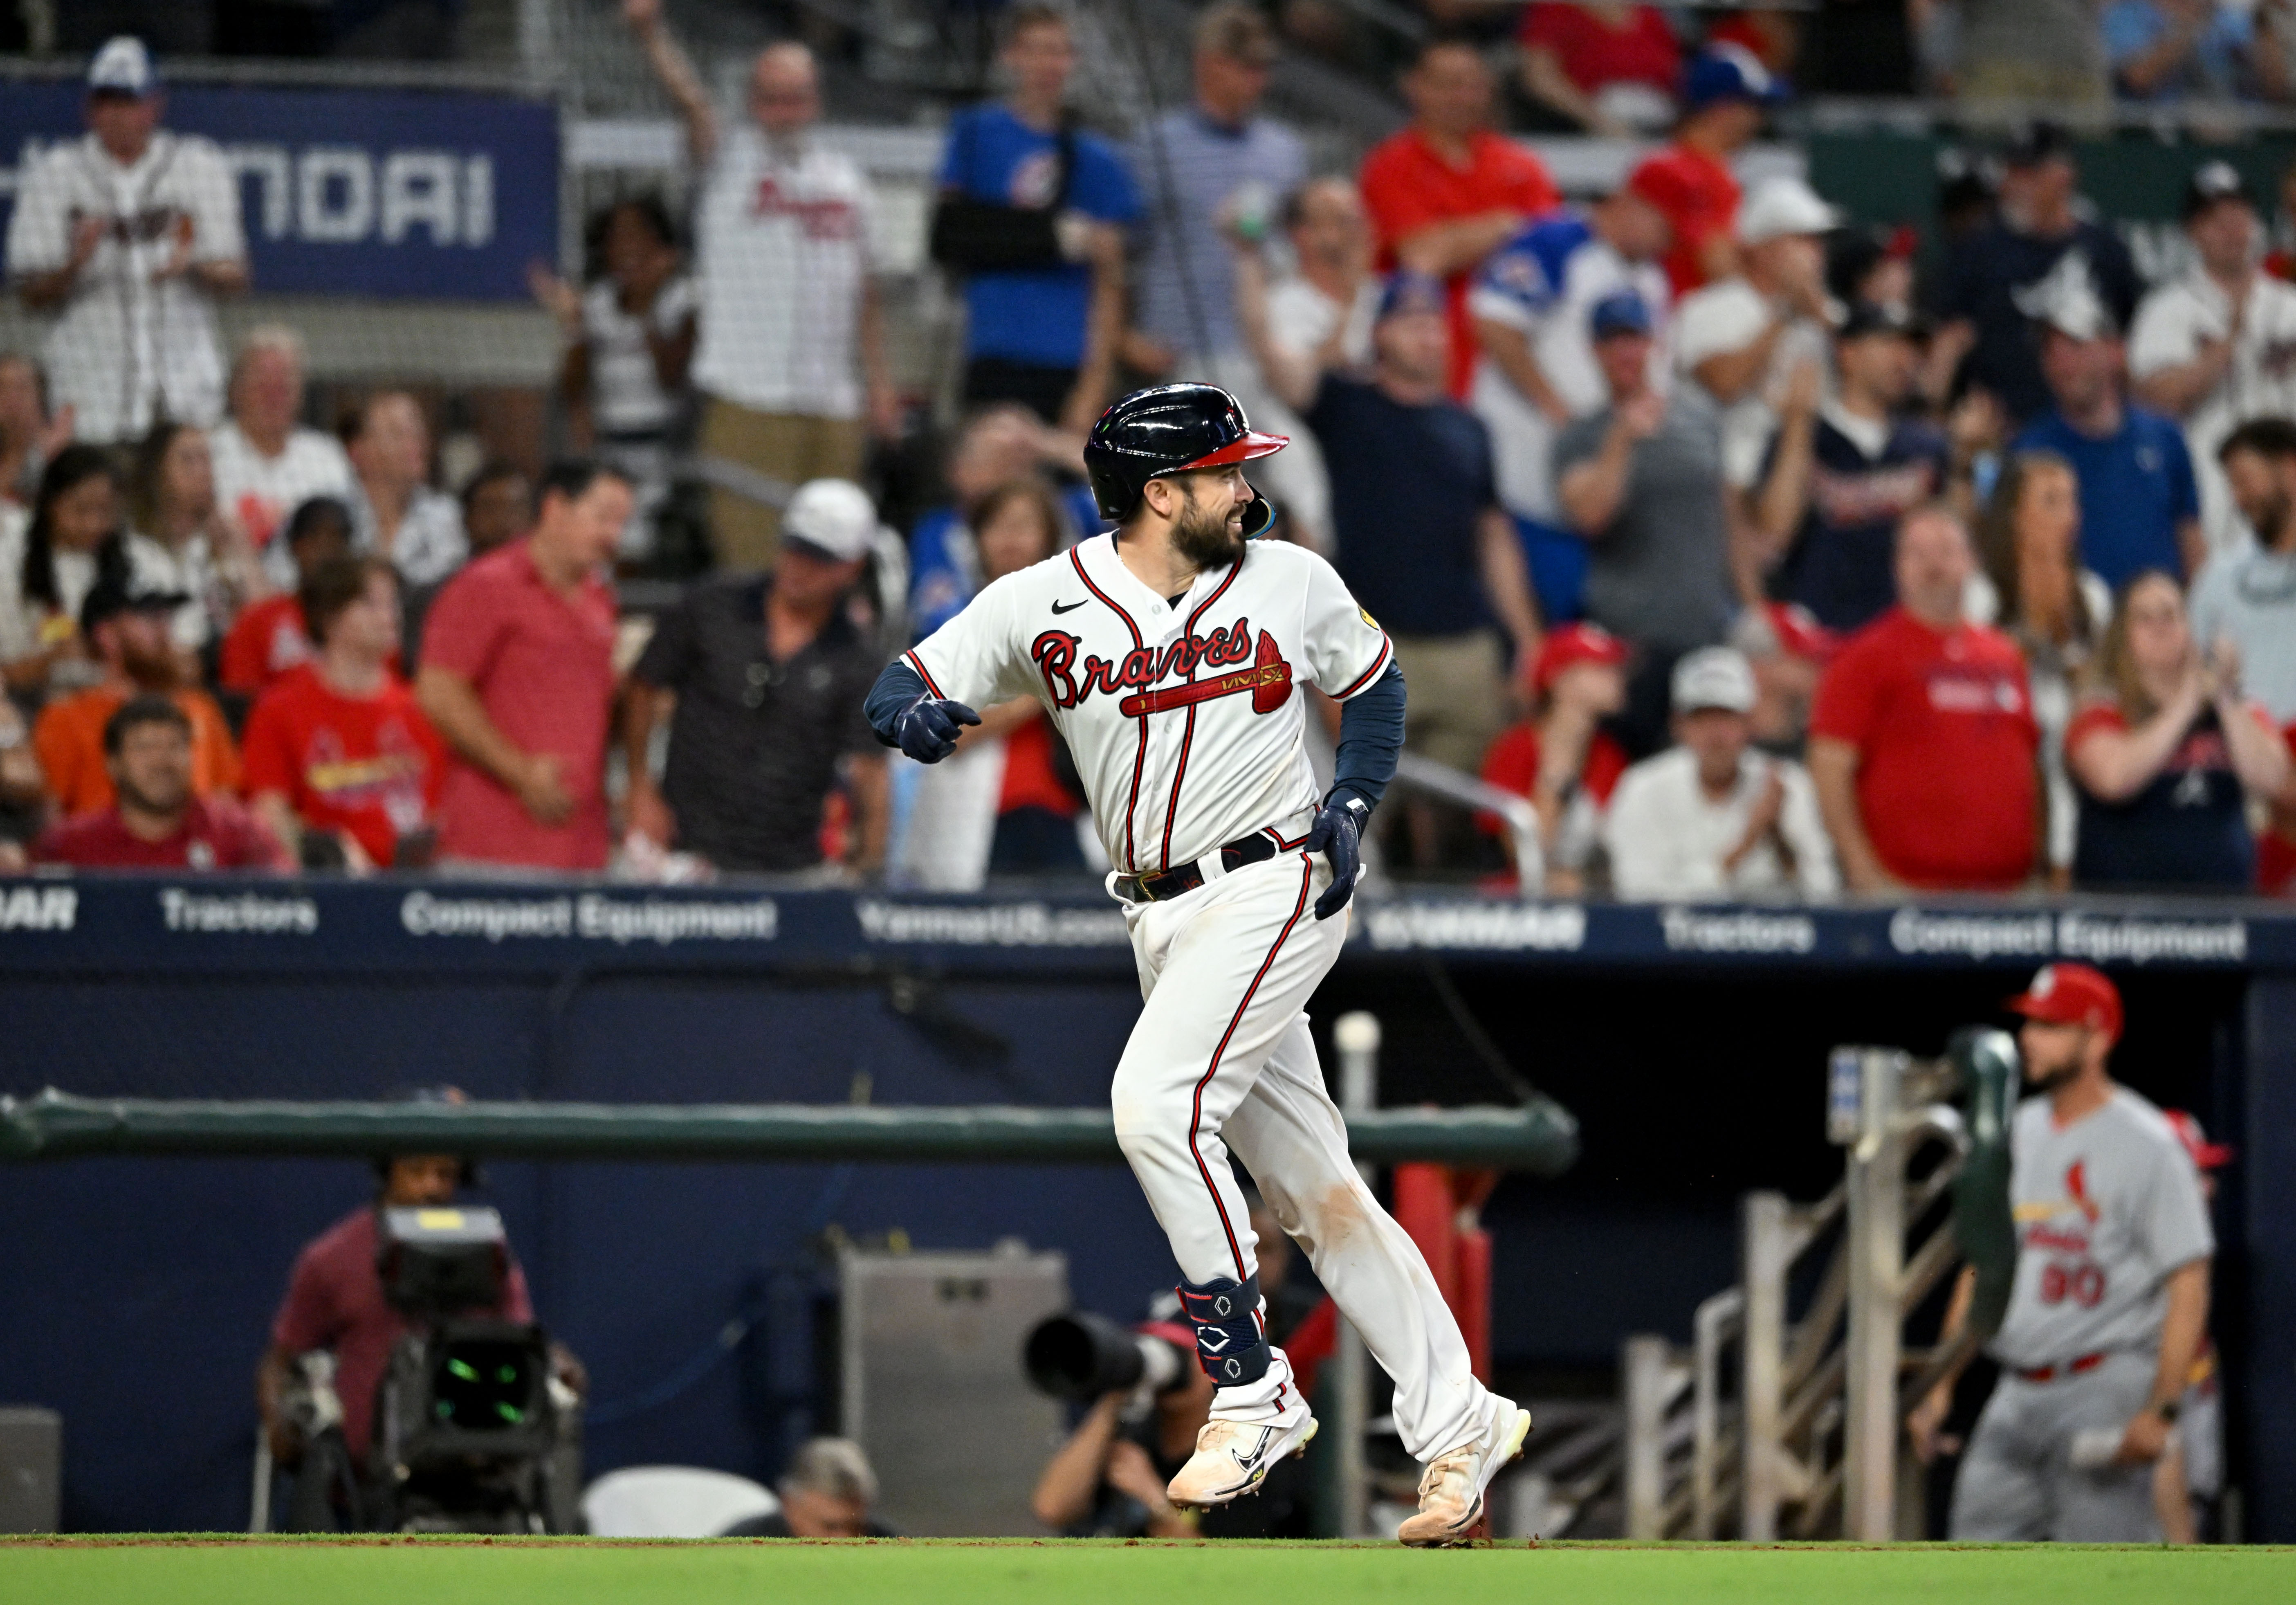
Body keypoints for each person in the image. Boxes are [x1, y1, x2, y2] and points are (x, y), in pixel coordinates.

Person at [864, 382, 1530, 1546]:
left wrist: (1354, 801)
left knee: (1154, 1103)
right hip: (1158, 916)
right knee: (1316, 1195)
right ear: (1159, 493)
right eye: (1222, 471)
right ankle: (1458, 1421)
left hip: (1277, 873)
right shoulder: (1046, 598)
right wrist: (909, 713)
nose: (1245, 486)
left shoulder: (1289, 578)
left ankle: (1248, 1384)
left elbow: (1371, 682)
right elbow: (908, 680)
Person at [1908, 964, 2214, 1544]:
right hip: (2015, 1389)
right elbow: (1983, 1261)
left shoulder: (2146, 1144)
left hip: (2101, 1386)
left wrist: (2162, 1409)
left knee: (2102, 1581)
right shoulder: (2017, 1130)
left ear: (2096, 1037)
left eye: (2050, 1025)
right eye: (2028, 1023)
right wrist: (1940, 1385)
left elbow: (2189, 1282)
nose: (2028, 1038)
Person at [1238, 269, 1540, 829]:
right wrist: (1247, 261)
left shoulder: (1468, 426)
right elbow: (1272, 359)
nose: (1428, 336)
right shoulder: (1346, 405)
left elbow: (1492, 536)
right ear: (1378, 335)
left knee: (1464, 810)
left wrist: (1525, 637)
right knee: (1370, 803)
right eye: (1411, 323)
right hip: (1375, 638)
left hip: (1463, 643)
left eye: (1435, 324)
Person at [625, 0, 897, 569]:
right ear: (753, 102)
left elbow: (864, 294)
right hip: (748, 396)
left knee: (835, 558)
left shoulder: (846, 181)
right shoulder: (728, 161)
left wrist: (879, 384)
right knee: (752, 563)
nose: (783, 110)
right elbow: (693, 105)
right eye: (771, 98)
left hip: (833, 400)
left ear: (815, 100)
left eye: (795, 96)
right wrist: (653, 35)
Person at [256, 1137, 572, 1500]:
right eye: (416, 1171)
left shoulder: (493, 1257)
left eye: (445, 1174)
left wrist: (557, 1364)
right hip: (360, 1490)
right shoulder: (331, 1258)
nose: (431, 1187)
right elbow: (279, 1361)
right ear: (388, 1171)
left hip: (475, 1477)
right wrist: (278, 1424)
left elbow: (524, 1345)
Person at [626, 479, 890, 877]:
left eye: (818, 559)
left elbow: (869, 768)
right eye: (794, 548)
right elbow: (643, 687)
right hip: (680, 846)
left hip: (788, 866)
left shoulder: (858, 658)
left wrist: (868, 862)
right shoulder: (711, 605)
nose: (799, 567)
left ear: (850, 568)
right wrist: (639, 787)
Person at [3, 37, 247, 444]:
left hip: (183, 405)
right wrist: (74, 265)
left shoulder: (199, 166)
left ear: (156, 105)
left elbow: (237, 277)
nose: (116, 115)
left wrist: (192, 265)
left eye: (128, 101)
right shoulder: (54, 174)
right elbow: (29, 295)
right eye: (106, 101)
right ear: (89, 109)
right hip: (89, 406)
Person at [1468, 172, 1673, 623]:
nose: (1672, 237)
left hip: (1601, 484)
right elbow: (1494, 324)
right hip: (1525, 476)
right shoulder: (1556, 242)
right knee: (1538, 625)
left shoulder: (1651, 274)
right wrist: (1555, 407)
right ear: (1629, 203)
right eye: (1665, 221)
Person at [1808, 506, 2040, 892]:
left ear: (1970, 562)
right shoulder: (1864, 657)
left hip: (2005, 897)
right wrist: (1861, 868)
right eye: (1918, 553)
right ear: (1897, 566)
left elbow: (2028, 766)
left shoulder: (2005, 657)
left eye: (1946, 551)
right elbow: (1829, 765)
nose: (1934, 565)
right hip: (1906, 896)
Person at [416, 461, 631, 873]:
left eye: (621, 524)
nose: (613, 537)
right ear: (555, 508)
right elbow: (438, 691)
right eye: (603, 518)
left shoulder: (600, 600)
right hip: (493, 848)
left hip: (582, 851)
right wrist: (521, 773)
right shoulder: (485, 586)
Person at [931, 3, 1137, 432]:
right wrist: (1055, 238)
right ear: (1011, 56)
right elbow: (949, 235)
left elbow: (1110, 277)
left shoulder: (1095, 158)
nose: (1047, 65)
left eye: (1058, 52)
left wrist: (1094, 381)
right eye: (1036, 50)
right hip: (993, 347)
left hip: (1064, 354)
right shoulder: (974, 135)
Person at [1554, 290, 1739, 755]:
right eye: (1612, 342)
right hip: (1629, 645)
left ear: (1653, 344)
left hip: (1706, 632)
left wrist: (1749, 602)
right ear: (1594, 352)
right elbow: (1590, 515)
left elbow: (1728, 518)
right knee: (1632, 772)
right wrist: (1621, 438)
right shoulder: (1580, 436)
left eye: (1634, 339)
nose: (1625, 353)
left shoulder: (1699, 418)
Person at [894, 477, 1089, 889]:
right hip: (980, 823)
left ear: (1049, 538)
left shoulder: (1085, 624)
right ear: (977, 540)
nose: (1010, 539)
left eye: (1024, 526)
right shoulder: (949, 628)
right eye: (998, 526)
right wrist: (1038, 689)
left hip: (1069, 818)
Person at [1357, 38, 1560, 400]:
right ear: (1415, 86)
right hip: (1431, 356)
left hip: (1520, 352)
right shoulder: (1390, 165)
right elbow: (1422, 255)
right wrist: (1507, 225)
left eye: (1475, 85)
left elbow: (1553, 247)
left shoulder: (1520, 163)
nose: (1464, 97)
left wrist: (1459, 241)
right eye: (1450, 84)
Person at [2065, 570, 2289, 891]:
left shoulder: (2232, 709)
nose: (2161, 626)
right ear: (2121, 635)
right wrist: (2187, 701)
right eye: (2144, 618)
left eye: (2171, 614)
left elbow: (2273, 778)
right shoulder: (2100, 709)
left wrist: (2225, 695)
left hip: (2224, 920)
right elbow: (2112, 779)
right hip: (2122, 924)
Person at [1124, 5, 1304, 383]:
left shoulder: (1284, 152)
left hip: (1261, 350)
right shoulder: (1155, 145)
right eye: (1245, 66)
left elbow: (1294, 252)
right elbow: (1122, 254)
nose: (1259, 80)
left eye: (1263, 68)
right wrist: (1127, 337)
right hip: (1174, 349)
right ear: (1207, 64)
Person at [2129, 163, 2296, 557]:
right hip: (2213, 501)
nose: (2231, 229)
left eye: (2239, 216)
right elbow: (2154, 402)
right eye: (2215, 220)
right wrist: (2225, 346)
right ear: (2192, 231)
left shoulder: (2287, 304)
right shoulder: (2167, 309)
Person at [1755, 301, 1953, 632]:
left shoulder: (1926, 446)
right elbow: (1774, 536)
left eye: (1912, 348)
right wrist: (1798, 425)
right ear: (1847, 353)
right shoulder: (1806, 436)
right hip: (1819, 634)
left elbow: (1953, 547)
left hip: (1905, 635)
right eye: (1889, 343)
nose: (1905, 359)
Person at [1930, 124, 2142, 430]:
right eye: (2011, 173)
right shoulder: (1977, 251)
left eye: (2029, 174)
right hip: (2004, 431)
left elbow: (2126, 341)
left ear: (2063, 177)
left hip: (2089, 428)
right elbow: (1949, 342)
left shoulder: (2105, 251)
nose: (2014, 185)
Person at [242, 556, 446, 874]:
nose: (388, 616)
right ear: (330, 617)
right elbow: (270, 813)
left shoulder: (424, 708)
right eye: (370, 603)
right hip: (326, 885)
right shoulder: (280, 708)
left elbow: (442, 811)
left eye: (392, 604)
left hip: (415, 883)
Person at [528, 196, 697, 564]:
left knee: (645, 547)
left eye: (639, 237)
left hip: (667, 455)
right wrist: (575, 326)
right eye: (618, 238)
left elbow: (674, 379)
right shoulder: (599, 304)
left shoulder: (681, 300)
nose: (628, 248)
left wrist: (645, 307)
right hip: (611, 450)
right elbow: (573, 388)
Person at [1972, 452, 2113, 884]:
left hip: (2072, 761)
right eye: (2050, 502)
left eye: (2072, 502)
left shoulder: (2091, 595)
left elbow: (2104, 689)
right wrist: (2035, 632)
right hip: (1998, 756)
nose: (2068, 517)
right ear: (2015, 516)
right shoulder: (1978, 594)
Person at [1603, 646, 1839, 901]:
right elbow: (1637, 896)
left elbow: (1824, 893)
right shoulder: (1644, 787)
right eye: (1702, 718)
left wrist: (1780, 838)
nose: (1716, 734)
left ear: (1750, 724)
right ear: (1678, 725)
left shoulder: (1787, 784)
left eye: (1727, 718)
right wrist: (1743, 846)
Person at [1223, 177, 1382, 553]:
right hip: (1320, 465)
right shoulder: (1285, 304)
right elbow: (1306, 388)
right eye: (1336, 220)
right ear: (1302, 235)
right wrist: (1350, 301)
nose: (1354, 231)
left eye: (1357, 219)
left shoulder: (1387, 295)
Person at [2011, 288, 2205, 589]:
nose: (2062, 362)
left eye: (2076, 345)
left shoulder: (2165, 439)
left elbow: (2190, 537)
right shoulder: (2029, 452)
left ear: (2115, 350)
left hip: (2154, 622)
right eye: (2049, 350)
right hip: (2074, 625)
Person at [1674, 175, 1839, 500]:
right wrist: (1784, 317)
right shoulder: (1709, 308)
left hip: (1798, 485)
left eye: (1819, 242)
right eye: (1803, 240)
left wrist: (1827, 328)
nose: (1817, 253)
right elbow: (1724, 384)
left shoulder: (1824, 315)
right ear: (1763, 249)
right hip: (1719, 483)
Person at [34, 572, 241, 819]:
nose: (165, 631)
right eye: (151, 618)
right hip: (104, 854)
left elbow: (226, 802)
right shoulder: (67, 717)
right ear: (107, 636)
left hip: (196, 853)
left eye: (167, 618)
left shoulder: (198, 706)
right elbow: (48, 815)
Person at [908, 406, 1096, 641]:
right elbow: (934, 620)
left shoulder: (1069, 511)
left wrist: (1050, 444)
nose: (1007, 473)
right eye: (994, 458)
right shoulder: (941, 531)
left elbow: (1134, 495)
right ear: (959, 470)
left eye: (1018, 460)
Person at [30, 695, 282, 871]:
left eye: (175, 746)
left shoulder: (239, 835)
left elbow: (286, 907)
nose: (162, 761)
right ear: (113, 764)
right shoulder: (73, 845)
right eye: (145, 748)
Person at [1478, 622, 1634, 895]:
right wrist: (1556, 775)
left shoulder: (1610, 755)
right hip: (1514, 899)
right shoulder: (1515, 750)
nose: (1616, 676)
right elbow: (1518, 853)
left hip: (1590, 893)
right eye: (1601, 668)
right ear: (1560, 680)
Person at [1626, 45, 1786, 298]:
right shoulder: (1671, 169)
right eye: (1752, 107)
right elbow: (1717, 263)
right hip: (1679, 318)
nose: (1758, 120)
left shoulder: (1715, 172)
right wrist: (1773, 304)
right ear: (1722, 109)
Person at [208, 326, 356, 582]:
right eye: (263, 382)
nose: (274, 395)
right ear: (237, 389)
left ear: (301, 392)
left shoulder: (326, 457)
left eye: (284, 383)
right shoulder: (209, 452)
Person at [0, 445, 132, 695]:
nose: (93, 523)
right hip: (36, 701)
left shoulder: (133, 561)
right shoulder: (12, 565)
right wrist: (54, 659)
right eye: (81, 509)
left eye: (105, 510)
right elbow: (5, 672)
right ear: (51, 503)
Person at [126, 420, 266, 656]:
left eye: (206, 460)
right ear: (158, 472)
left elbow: (265, 620)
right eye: (188, 460)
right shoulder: (131, 547)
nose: (203, 471)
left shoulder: (222, 541)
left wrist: (241, 546)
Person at [2195, 417, 2296, 723]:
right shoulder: (2218, 578)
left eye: (2245, 480)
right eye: (2231, 486)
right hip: (2250, 757)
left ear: (2289, 469)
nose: (2239, 499)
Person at [220, 497, 355, 699]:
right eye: (316, 541)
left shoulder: (365, 621)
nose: (328, 554)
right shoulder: (257, 622)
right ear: (295, 546)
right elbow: (239, 699)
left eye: (337, 543)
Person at [340, 393, 466, 589]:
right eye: (398, 434)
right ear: (361, 450)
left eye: (418, 433)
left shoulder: (446, 516)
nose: (416, 444)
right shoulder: (338, 514)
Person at [1515, 2, 1683, 137]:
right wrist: (1598, 120)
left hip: (1663, 122)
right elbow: (1540, 78)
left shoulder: (1651, 13)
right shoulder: (1555, 10)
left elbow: (1677, 69)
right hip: (1587, 125)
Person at [719, 1439, 892, 1538]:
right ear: (790, 1506)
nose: (845, 1540)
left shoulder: (889, 1547)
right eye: (830, 1527)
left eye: (856, 1527)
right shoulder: (742, 1547)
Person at [0, 353, 71, 508]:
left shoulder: (57, 451)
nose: (11, 399)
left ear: (40, 397)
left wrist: (51, 457)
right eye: (3, 388)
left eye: (21, 388)